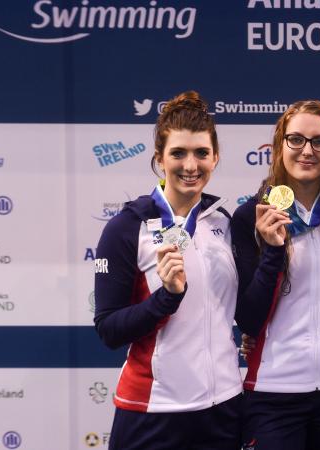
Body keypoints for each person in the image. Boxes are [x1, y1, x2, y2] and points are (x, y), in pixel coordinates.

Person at [93, 91, 242, 450]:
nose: (191, 165)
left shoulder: (224, 222)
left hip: (223, 407)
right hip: (153, 410)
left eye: (201, 153)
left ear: (215, 157)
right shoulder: (127, 227)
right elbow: (109, 329)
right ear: (160, 159)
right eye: (178, 153)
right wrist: (167, 298)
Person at [231, 100, 320, 450]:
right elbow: (249, 318)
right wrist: (274, 251)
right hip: (273, 389)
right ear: (280, 145)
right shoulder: (251, 215)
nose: (306, 150)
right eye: (295, 139)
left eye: (319, 141)